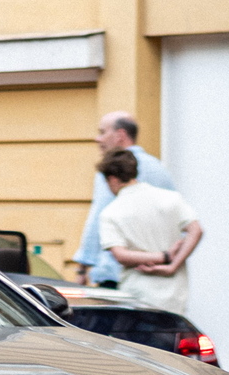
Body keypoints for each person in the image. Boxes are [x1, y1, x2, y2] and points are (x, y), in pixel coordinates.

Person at [70, 112, 174, 287]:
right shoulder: (159, 169)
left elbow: (98, 219)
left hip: (115, 272)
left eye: (102, 132)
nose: (98, 139)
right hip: (155, 272)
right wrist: (169, 260)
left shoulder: (113, 169)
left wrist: (82, 269)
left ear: (120, 135)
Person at [95, 147, 202, 315]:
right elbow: (196, 230)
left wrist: (163, 256)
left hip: (137, 294)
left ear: (113, 179)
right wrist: (172, 265)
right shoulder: (170, 198)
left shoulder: (110, 213)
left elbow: (121, 256)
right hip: (174, 295)